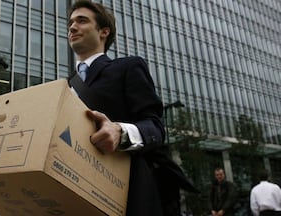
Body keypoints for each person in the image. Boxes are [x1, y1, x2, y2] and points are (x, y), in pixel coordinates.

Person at [67, 1, 196, 216]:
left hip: (122, 192)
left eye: (82, 20)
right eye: (71, 22)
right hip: (72, 190)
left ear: (104, 32)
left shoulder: (127, 67)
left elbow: (155, 127)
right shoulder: (65, 86)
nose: (72, 27)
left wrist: (121, 132)